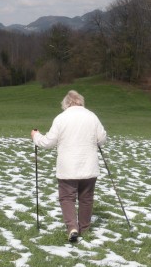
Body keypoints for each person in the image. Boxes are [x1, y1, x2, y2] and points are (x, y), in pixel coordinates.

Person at [31, 90, 107, 242]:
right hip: (89, 166)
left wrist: (35, 136)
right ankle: (84, 228)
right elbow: (102, 139)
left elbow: (48, 142)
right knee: (86, 198)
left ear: (66, 104)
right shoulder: (91, 116)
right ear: (81, 102)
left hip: (67, 167)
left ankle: (72, 227)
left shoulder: (61, 118)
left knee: (67, 198)